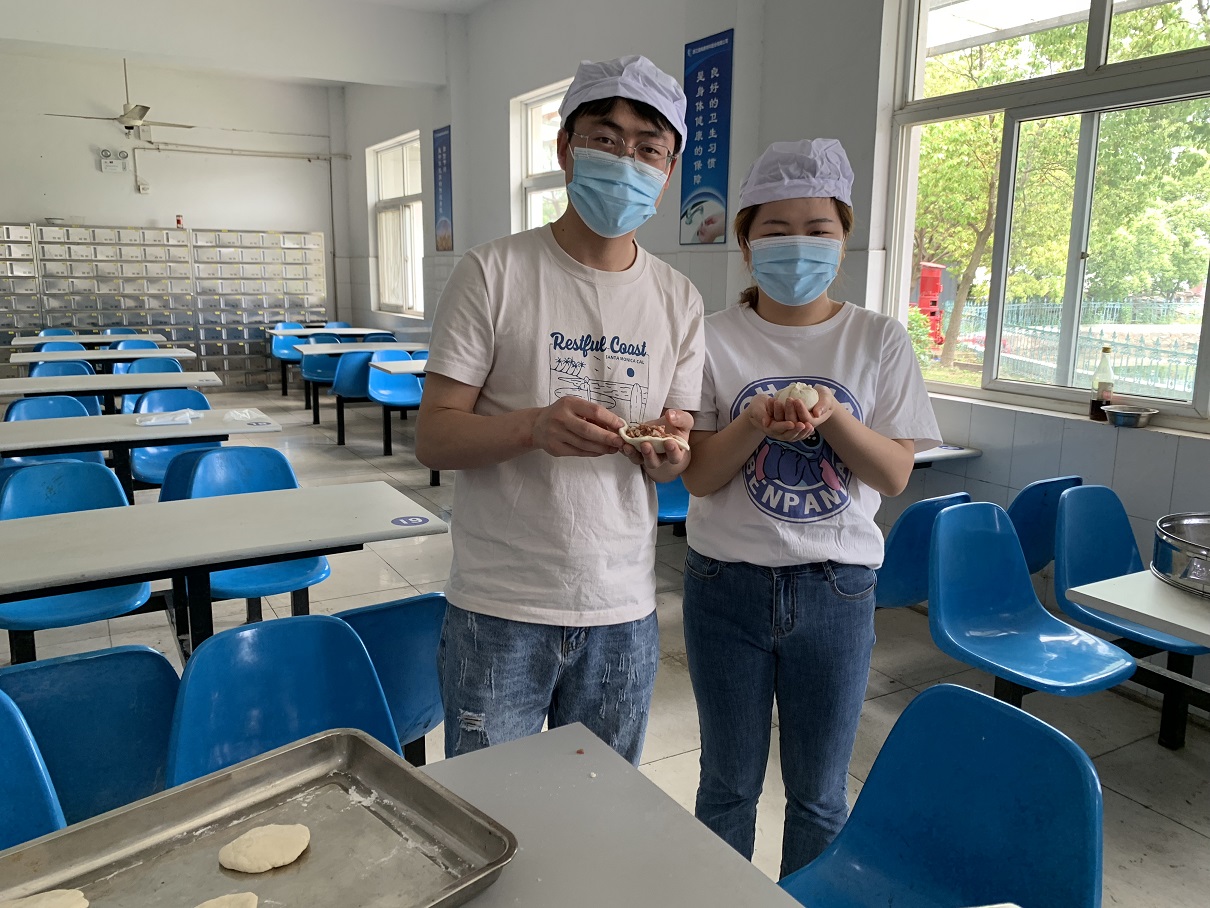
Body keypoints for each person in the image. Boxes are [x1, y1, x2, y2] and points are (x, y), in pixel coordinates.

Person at [416, 55, 704, 766]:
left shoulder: (678, 299)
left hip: (622, 605)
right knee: (493, 808)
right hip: (501, 604)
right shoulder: (492, 272)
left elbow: (678, 443)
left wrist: (669, 454)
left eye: (648, 149)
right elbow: (434, 436)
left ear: (669, 172)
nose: (626, 160)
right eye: (606, 139)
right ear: (566, 148)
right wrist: (533, 427)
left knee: (604, 809)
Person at [679, 138, 941, 877]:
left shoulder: (878, 339)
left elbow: (893, 474)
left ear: (843, 238)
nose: (798, 243)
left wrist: (834, 418)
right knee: (727, 784)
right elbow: (699, 477)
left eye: (817, 228)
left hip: (837, 591)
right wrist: (753, 422)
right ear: (745, 243)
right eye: (776, 229)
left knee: (820, 794)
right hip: (724, 585)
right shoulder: (711, 337)